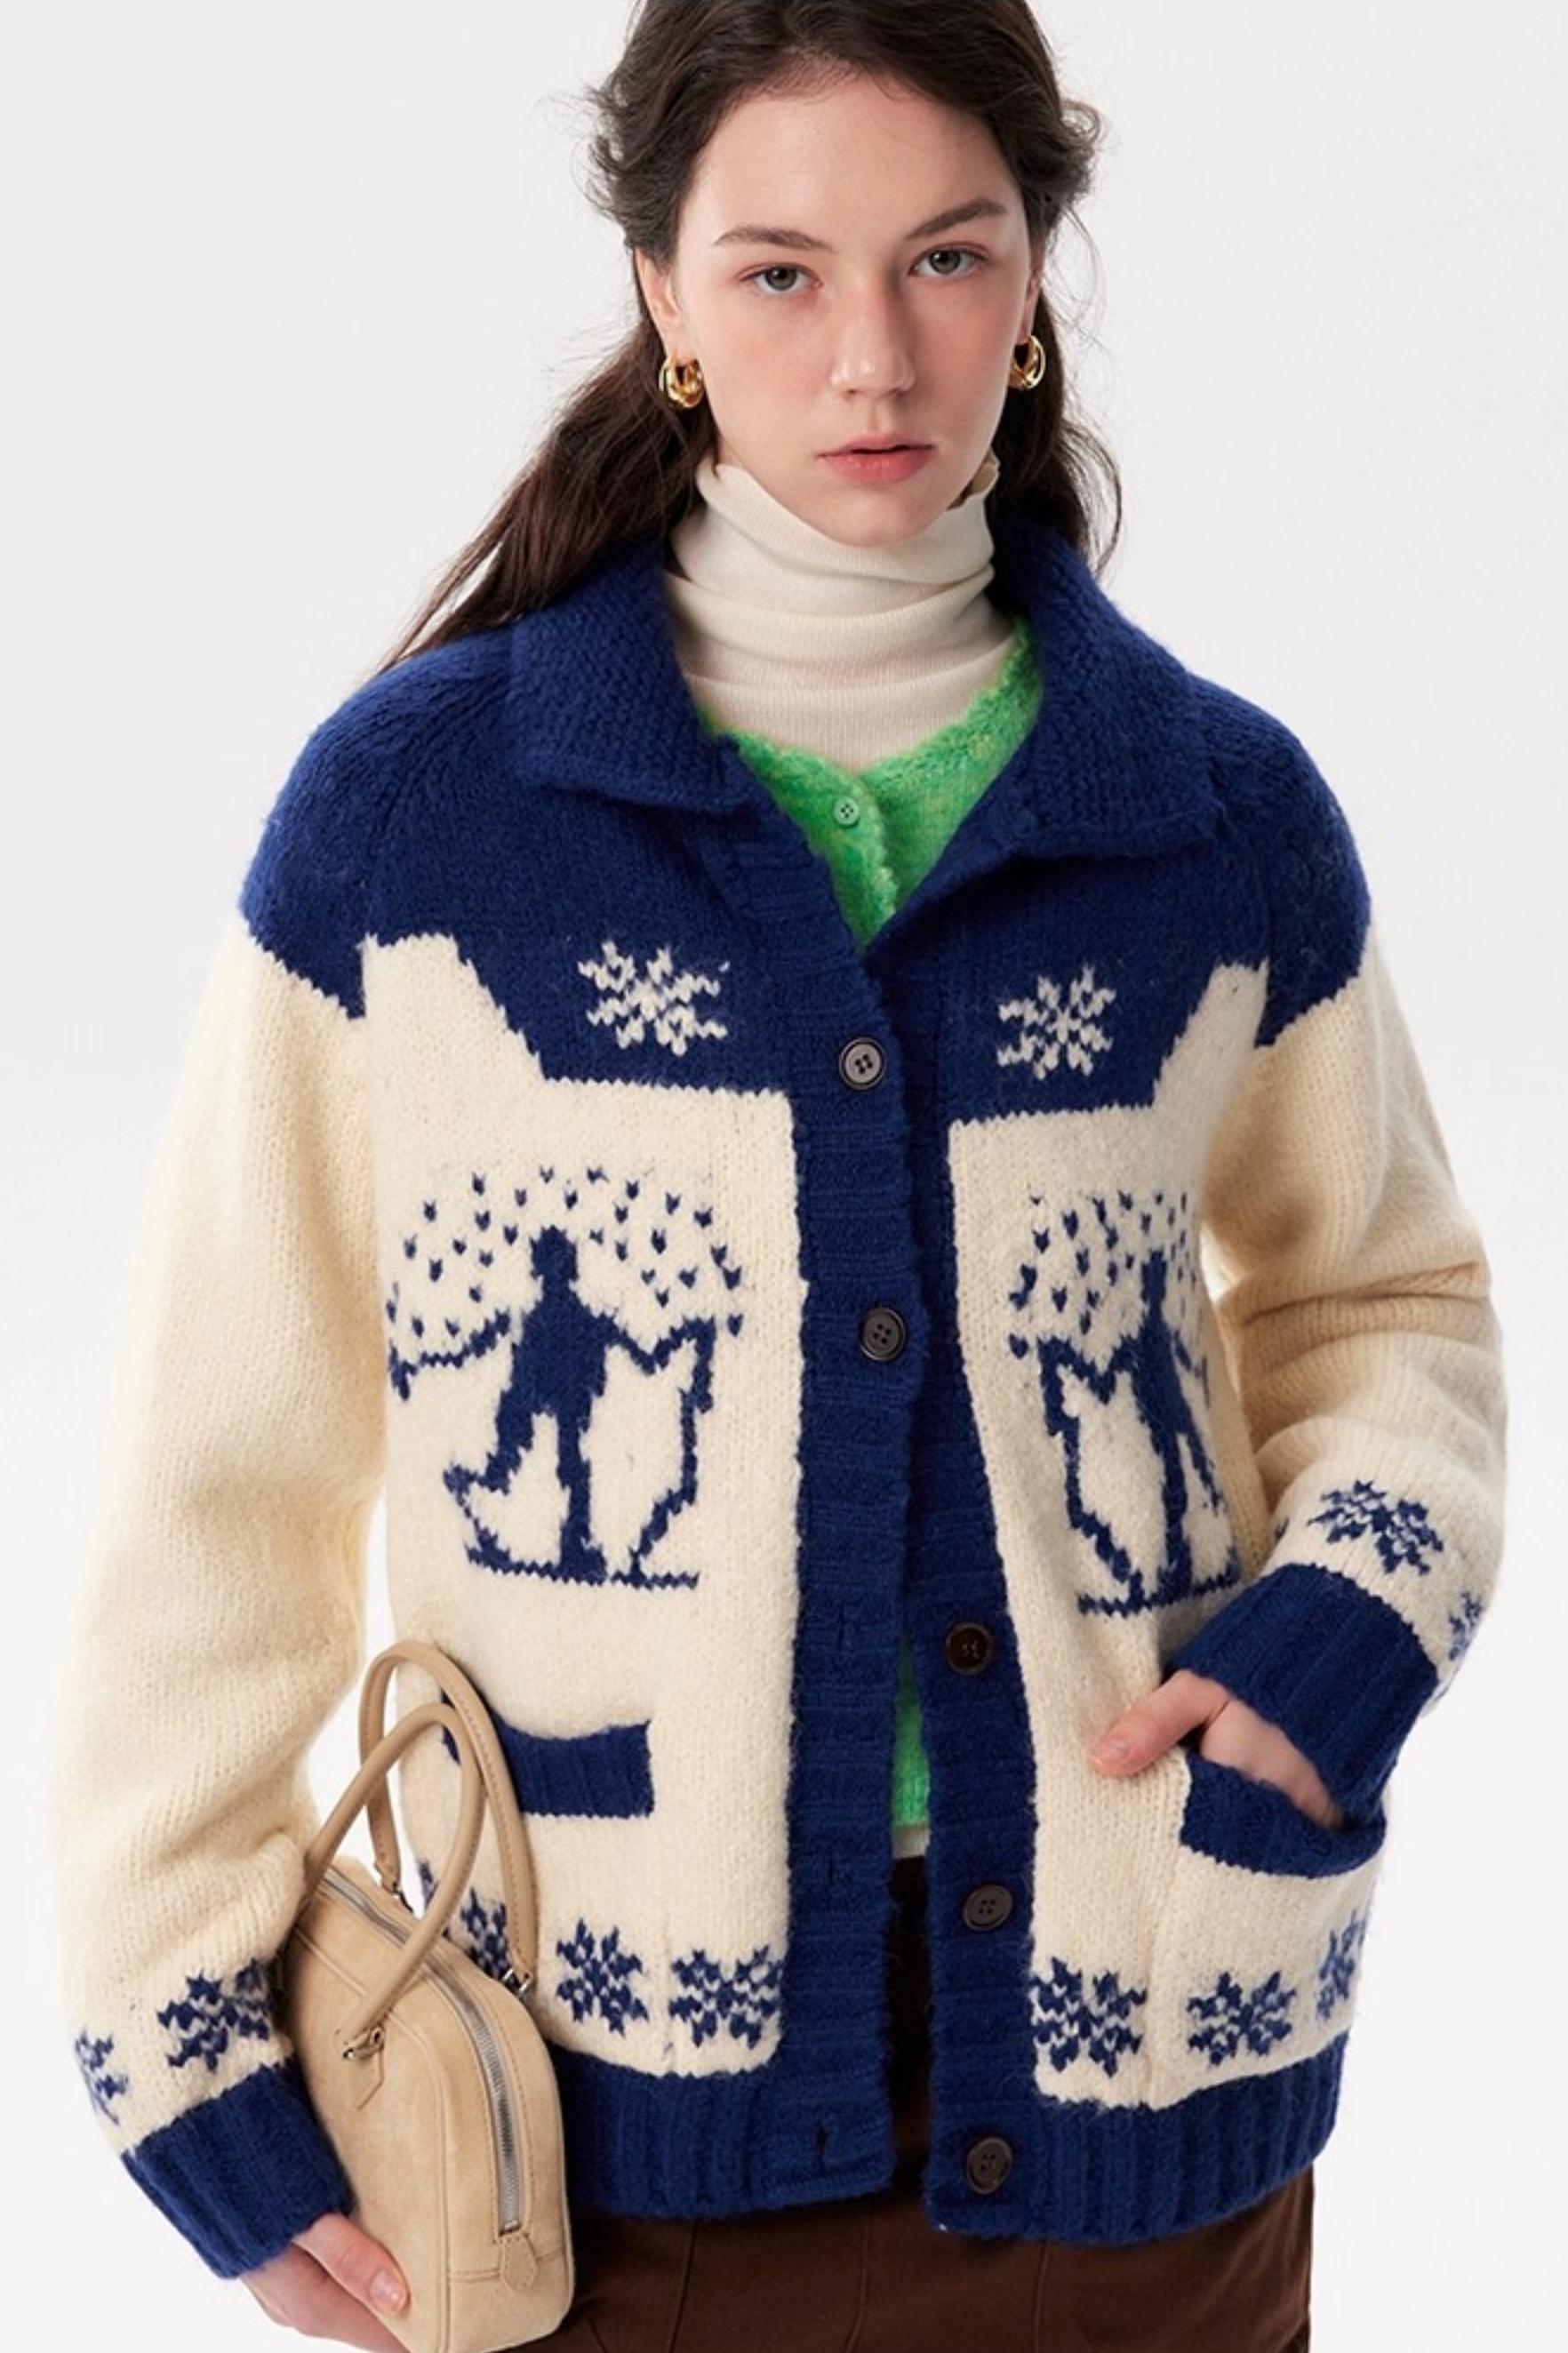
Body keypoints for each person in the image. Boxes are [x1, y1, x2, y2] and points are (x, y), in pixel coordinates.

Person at [46, 4, 1507, 2349]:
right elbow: (225, 1457)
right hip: (591, 2144)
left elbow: (1381, 1301)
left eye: (946, 257)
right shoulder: (424, 831)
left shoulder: (1210, 817)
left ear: (1034, 275)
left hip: (1148, 2081)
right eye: (779, 272)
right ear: (661, 294)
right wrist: (185, 2025)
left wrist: (1336, 1636)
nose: (873, 358)